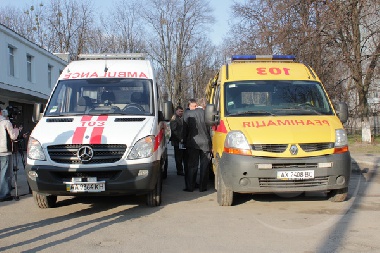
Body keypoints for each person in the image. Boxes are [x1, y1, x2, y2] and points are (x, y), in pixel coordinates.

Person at [182, 98, 212, 192]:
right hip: (205, 143)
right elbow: (210, 129)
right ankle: (203, 187)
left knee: (192, 165)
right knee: (204, 166)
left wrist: (184, 140)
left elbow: (184, 129)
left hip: (192, 143)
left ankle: (190, 187)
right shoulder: (206, 113)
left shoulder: (188, 114)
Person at [0, 107, 21, 201]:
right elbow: (13, 136)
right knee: (5, 173)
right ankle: (4, 194)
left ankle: (4, 190)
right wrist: (17, 130)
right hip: (4, 151)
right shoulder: (6, 122)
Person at [169, 105, 185, 176]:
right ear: (176, 111)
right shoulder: (174, 118)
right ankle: (179, 170)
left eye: (182, 111)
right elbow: (174, 130)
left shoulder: (181, 118)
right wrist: (180, 138)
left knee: (182, 156)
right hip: (177, 141)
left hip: (181, 140)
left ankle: (181, 170)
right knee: (178, 157)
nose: (181, 112)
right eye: (179, 111)